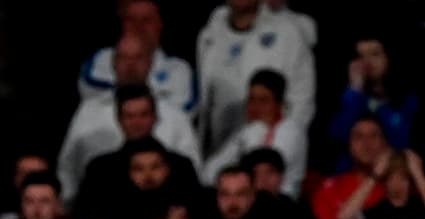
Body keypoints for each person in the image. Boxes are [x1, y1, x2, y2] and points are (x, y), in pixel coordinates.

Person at [58, 34, 201, 201]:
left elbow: (193, 170)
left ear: (150, 62)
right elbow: (68, 167)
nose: (130, 65)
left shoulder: (175, 115)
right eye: (124, 58)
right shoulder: (89, 112)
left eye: (138, 57)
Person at [195, 0, 314, 157]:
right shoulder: (210, 33)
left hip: (267, 154)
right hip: (219, 151)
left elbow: (301, 103)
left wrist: (277, 151)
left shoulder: (287, 34)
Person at [77, 0, 195, 113]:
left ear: (160, 24)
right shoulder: (101, 59)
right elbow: (91, 96)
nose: (138, 27)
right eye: (131, 20)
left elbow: (181, 113)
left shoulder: (179, 69)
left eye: (146, 20)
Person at [203, 69, 307, 196]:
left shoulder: (291, 131)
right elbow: (209, 172)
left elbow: (260, 176)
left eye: (263, 100)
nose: (255, 107)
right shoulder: (248, 131)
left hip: (280, 201)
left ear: (279, 104)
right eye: (251, 99)